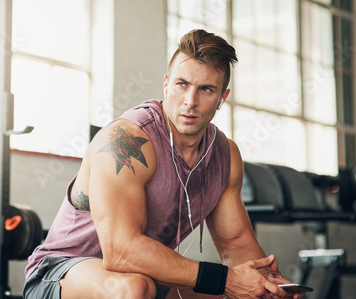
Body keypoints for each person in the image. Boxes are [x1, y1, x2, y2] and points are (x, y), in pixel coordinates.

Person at [23, 29, 302, 299]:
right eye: (182, 85)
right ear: (166, 84)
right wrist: (224, 279)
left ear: (222, 98)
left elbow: (236, 242)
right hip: (61, 272)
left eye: (206, 89)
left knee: (238, 296)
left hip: (145, 275)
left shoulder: (224, 155)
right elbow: (121, 251)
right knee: (134, 288)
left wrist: (265, 283)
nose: (190, 101)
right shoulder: (126, 141)